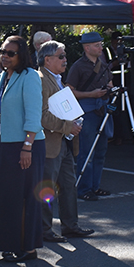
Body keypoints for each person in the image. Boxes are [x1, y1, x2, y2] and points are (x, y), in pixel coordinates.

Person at [0, 35, 45, 263]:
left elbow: (33, 113)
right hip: (6, 143)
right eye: (2, 51)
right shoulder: (4, 76)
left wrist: (27, 147)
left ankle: (28, 248)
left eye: (10, 53)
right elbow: (0, 107)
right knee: (7, 198)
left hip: (25, 144)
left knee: (25, 198)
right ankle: (10, 244)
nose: (5, 56)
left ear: (21, 55)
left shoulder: (30, 76)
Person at [37, 40, 93, 242]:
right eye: (61, 56)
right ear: (47, 59)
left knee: (69, 184)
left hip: (64, 140)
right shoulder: (42, 79)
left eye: (65, 56)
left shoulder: (57, 78)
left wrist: (72, 123)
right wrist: (67, 126)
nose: (65, 59)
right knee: (48, 187)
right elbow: (42, 115)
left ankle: (70, 226)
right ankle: (44, 230)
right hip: (51, 141)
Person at [66, 32, 113, 202]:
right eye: (97, 45)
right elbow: (69, 91)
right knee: (87, 151)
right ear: (87, 48)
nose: (101, 48)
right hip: (87, 111)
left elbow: (110, 83)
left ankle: (95, 186)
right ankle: (84, 188)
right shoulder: (78, 66)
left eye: (101, 44)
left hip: (102, 108)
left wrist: (109, 90)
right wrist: (90, 94)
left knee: (101, 150)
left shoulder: (103, 64)